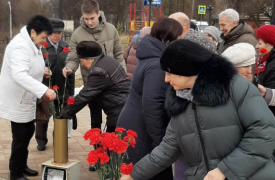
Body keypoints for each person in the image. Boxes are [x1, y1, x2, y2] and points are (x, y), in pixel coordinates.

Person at [120, 39, 275, 180]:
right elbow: (166, 150)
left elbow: (264, 132)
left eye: (169, 73)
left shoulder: (236, 87)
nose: (166, 79)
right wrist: (133, 176)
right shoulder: (180, 100)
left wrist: (225, 170)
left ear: (187, 70)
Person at [62, 0, 126, 171]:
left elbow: (119, 54)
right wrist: (70, 68)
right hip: (92, 82)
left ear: (98, 14)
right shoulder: (77, 34)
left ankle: (112, 158)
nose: (89, 22)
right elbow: (74, 57)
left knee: (114, 120)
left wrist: (122, 75)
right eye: (86, 19)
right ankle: (98, 157)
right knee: (95, 121)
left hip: (110, 84)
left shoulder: (111, 30)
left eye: (92, 18)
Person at [117, 17, 183, 180]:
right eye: (180, 39)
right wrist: (161, 143)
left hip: (135, 123)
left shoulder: (151, 55)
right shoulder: (157, 64)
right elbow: (153, 106)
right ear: (168, 38)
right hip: (142, 130)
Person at [0, 15, 56, 180]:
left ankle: (21, 165)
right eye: (43, 37)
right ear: (33, 32)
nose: (44, 41)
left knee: (28, 131)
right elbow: (19, 74)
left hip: (26, 97)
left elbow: (30, 63)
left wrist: (42, 70)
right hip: (17, 98)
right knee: (20, 136)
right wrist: (44, 90)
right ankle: (15, 173)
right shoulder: (20, 46)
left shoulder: (31, 41)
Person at [64, 41, 129, 133]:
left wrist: (67, 112)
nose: (82, 64)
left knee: (112, 143)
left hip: (118, 111)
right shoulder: (109, 60)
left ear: (90, 59)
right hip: (124, 107)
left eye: (81, 60)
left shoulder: (99, 71)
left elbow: (85, 95)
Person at [35, 18, 76, 151]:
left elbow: (72, 71)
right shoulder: (41, 47)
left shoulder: (67, 47)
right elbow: (33, 69)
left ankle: (58, 139)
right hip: (45, 89)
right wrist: (42, 72)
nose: (57, 35)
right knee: (43, 118)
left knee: (61, 117)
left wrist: (71, 92)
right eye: (54, 32)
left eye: (59, 32)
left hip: (63, 89)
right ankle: (41, 141)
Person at [254, 25, 275, 115]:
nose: (256, 46)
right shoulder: (263, 61)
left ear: (271, 44)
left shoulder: (273, 65)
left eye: (260, 43)